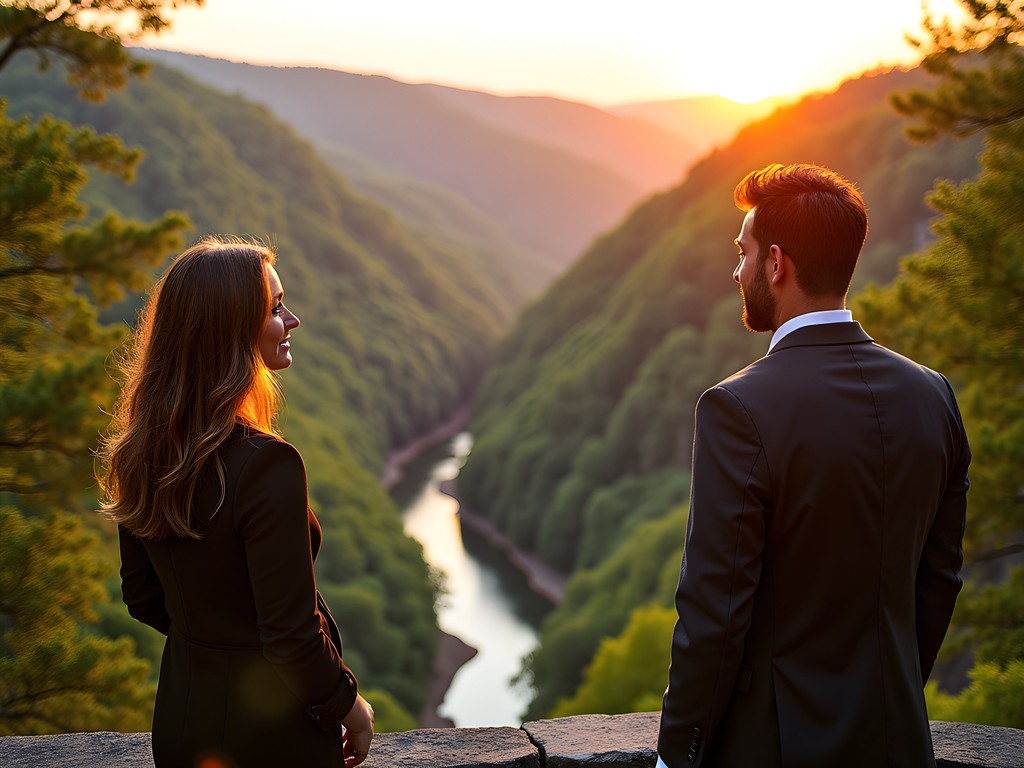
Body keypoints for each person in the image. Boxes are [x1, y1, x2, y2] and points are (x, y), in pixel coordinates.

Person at [656, 164, 970, 768]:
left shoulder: (737, 408)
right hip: (898, 742)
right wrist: (888, 691)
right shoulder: (935, 396)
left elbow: (715, 609)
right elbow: (939, 582)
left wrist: (680, 752)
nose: (736, 270)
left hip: (772, 749)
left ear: (776, 264)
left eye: (742, 252)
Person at [98, 237, 374, 768]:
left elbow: (143, 597)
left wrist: (213, 644)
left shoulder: (139, 452)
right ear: (230, 329)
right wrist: (350, 707)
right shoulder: (268, 464)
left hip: (180, 725)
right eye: (274, 308)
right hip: (271, 739)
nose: (292, 319)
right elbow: (291, 638)